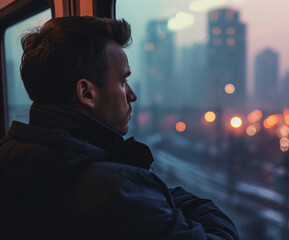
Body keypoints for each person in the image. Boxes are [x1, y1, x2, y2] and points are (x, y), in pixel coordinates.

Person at [0, 16, 239, 240]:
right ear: (86, 93)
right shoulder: (118, 190)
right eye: (123, 81)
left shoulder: (9, 154)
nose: (132, 95)